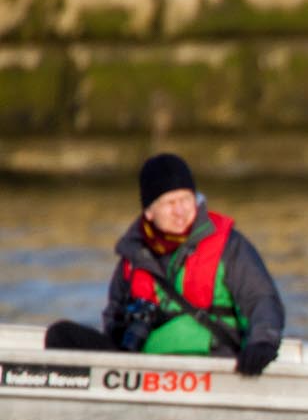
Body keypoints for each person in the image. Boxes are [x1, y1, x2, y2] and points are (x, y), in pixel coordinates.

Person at [46, 152, 285, 375]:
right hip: (142, 369)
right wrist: (127, 324)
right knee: (61, 335)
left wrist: (262, 341)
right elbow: (112, 319)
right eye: (170, 203)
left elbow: (261, 299)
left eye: (186, 200)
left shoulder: (229, 246)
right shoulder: (134, 254)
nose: (180, 211)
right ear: (149, 212)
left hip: (214, 364)